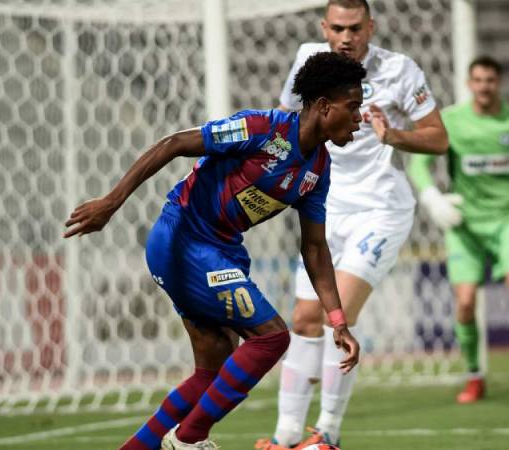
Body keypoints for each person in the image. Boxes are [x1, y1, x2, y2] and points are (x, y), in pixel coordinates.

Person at [63, 51, 364, 450]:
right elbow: (173, 143)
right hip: (183, 237)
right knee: (272, 338)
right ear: (324, 106)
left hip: (221, 250)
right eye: (353, 107)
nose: (360, 118)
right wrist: (111, 202)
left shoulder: (318, 170)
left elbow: (314, 247)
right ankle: (189, 439)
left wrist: (338, 320)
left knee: (213, 368)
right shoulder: (261, 128)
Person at [257, 1, 448, 448]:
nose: (347, 37)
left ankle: (327, 433)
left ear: (371, 27)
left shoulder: (399, 70)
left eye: (356, 28)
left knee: (336, 312)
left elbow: (439, 138)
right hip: (324, 204)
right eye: (339, 28)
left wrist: (394, 136)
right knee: (304, 318)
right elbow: (285, 119)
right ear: (324, 27)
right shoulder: (308, 60)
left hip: (379, 209)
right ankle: (286, 437)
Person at [408, 55, 509, 404]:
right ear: (469, 84)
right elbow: (419, 164)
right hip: (465, 225)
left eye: (490, 80)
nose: (484, 87)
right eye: (478, 80)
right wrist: (432, 197)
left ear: (499, 83)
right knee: (465, 303)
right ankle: (474, 376)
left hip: (508, 220)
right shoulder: (451, 120)